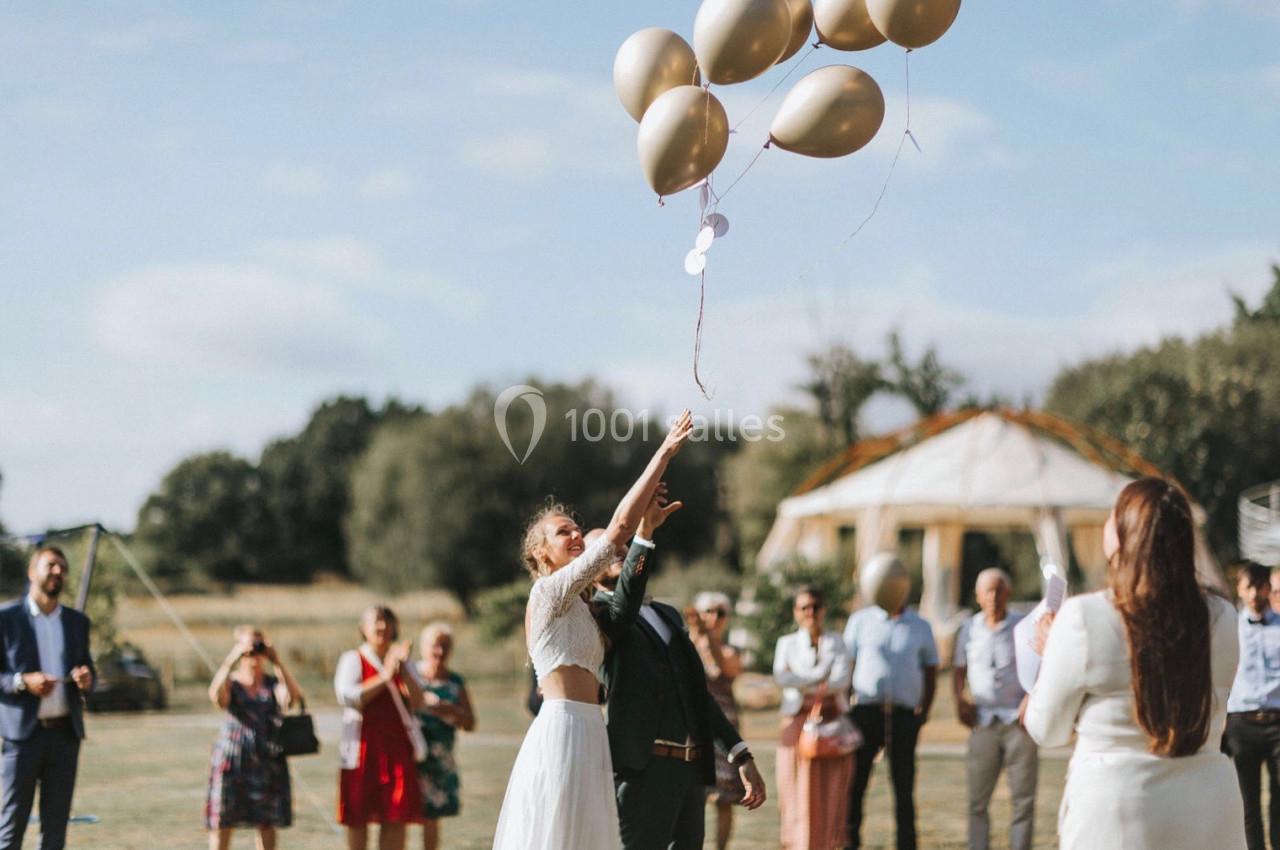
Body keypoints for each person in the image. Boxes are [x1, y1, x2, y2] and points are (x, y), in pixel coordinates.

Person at [492, 410, 694, 850]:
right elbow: (616, 529)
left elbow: (622, 612)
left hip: (591, 733)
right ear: (541, 553)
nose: (577, 536)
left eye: (579, 530)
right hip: (561, 730)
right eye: (564, 533)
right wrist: (663, 453)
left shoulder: (583, 609)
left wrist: (647, 535)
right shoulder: (548, 593)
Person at [1023, 477, 1244, 850]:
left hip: (1119, 809)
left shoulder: (1084, 617)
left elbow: (1048, 730)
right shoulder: (1223, 616)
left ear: (1124, 533)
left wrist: (1050, 655)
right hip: (1209, 805)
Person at [591, 519, 766, 850]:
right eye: (605, 546)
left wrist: (740, 754)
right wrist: (644, 537)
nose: (617, 549)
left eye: (623, 544)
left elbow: (697, 693)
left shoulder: (667, 614)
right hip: (644, 771)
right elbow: (622, 611)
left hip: (690, 771)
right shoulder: (598, 614)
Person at [0, 545, 94, 850]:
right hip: (22, 738)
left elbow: (88, 669)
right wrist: (21, 682)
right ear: (32, 572)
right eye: (51, 565)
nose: (58, 572)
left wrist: (86, 678)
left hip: (65, 736)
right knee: (11, 829)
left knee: (55, 832)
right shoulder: (7, 619)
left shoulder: (76, 622)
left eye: (62, 568)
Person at [843, 555, 938, 850]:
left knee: (903, 787)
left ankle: (906, 845)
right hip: (865, 713)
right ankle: (850, 842)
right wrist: (846, 709)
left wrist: (923, 712)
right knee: (855, 786)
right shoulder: (859, 621)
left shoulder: (920, 626)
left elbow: (931, 669)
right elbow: (847, 665)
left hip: (903, 715)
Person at [952, 568, 1037, 850]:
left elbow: (1040, 667)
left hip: (1017, 722)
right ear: (977, 596)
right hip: (983, 721)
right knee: (977, 800)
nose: (993, 596)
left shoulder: (1023, 626)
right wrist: (959, 699)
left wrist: (1031, 699)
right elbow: (959, 668)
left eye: (999, 590)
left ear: (1008, 593)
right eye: (987, 591)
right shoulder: (969, 628)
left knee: (1022, 800)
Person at [334, 605, 426, 850]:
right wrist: (386, 675)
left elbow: (418, 701)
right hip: (363, 749)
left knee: (396, 815)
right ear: (363, 629)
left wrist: (403, 667)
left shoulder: (405, 663)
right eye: (376, 622)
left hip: (396, 748)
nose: (383, 627)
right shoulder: (353, 659)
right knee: (358, 816)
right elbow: (349, 697)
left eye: (387, 622)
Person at [205, 625, 304, 850]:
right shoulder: (232, 681)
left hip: (267, 761)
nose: (254, 655)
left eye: (258, 647)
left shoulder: (272, 683)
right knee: (223, 820)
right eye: (249, 648)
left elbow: (292, 698)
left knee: (266, 822)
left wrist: (277, 661)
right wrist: (232, 659)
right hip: (233, 760)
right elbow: (216, 697)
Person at [773, 586, 854, 850]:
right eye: (804, 607)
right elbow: (781, 677)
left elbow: (841, 680)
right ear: (796, 612)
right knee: (795, 792)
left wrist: (804, 681)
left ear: (823, 610)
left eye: (815, 607)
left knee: (831, 794)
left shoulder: (837, 642)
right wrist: (821, 678)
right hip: (796, 723)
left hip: (831, 724)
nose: (810, 612)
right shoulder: (786, 644)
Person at [1223, 561, 1280, 850]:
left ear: (1269, 589)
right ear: (1240, 590)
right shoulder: (1228, 629)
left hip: (1277, 722)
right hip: (1242, 723)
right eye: (1249, 587)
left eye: (1261, 586)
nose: (1256, 593)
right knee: (1248, 804)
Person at [411, 622, 475, 850]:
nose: (439, 652)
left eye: (445, 646)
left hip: (439, 759)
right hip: (410, 753)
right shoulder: (412, 675)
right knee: (400, 813)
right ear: (423, 647)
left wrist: (450, 710)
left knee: (431, 817)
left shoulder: (455, 682)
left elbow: (470, 723)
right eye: (435, 646)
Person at [690, 591, 745, 850]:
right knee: (694, 796)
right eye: (708, 611)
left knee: (724, 799)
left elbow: (723, 666)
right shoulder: (688, 646)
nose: (714, 617)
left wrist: (708, 637)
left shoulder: (730, 650)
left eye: (719, 612)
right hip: (694, 727)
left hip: (725, 728)